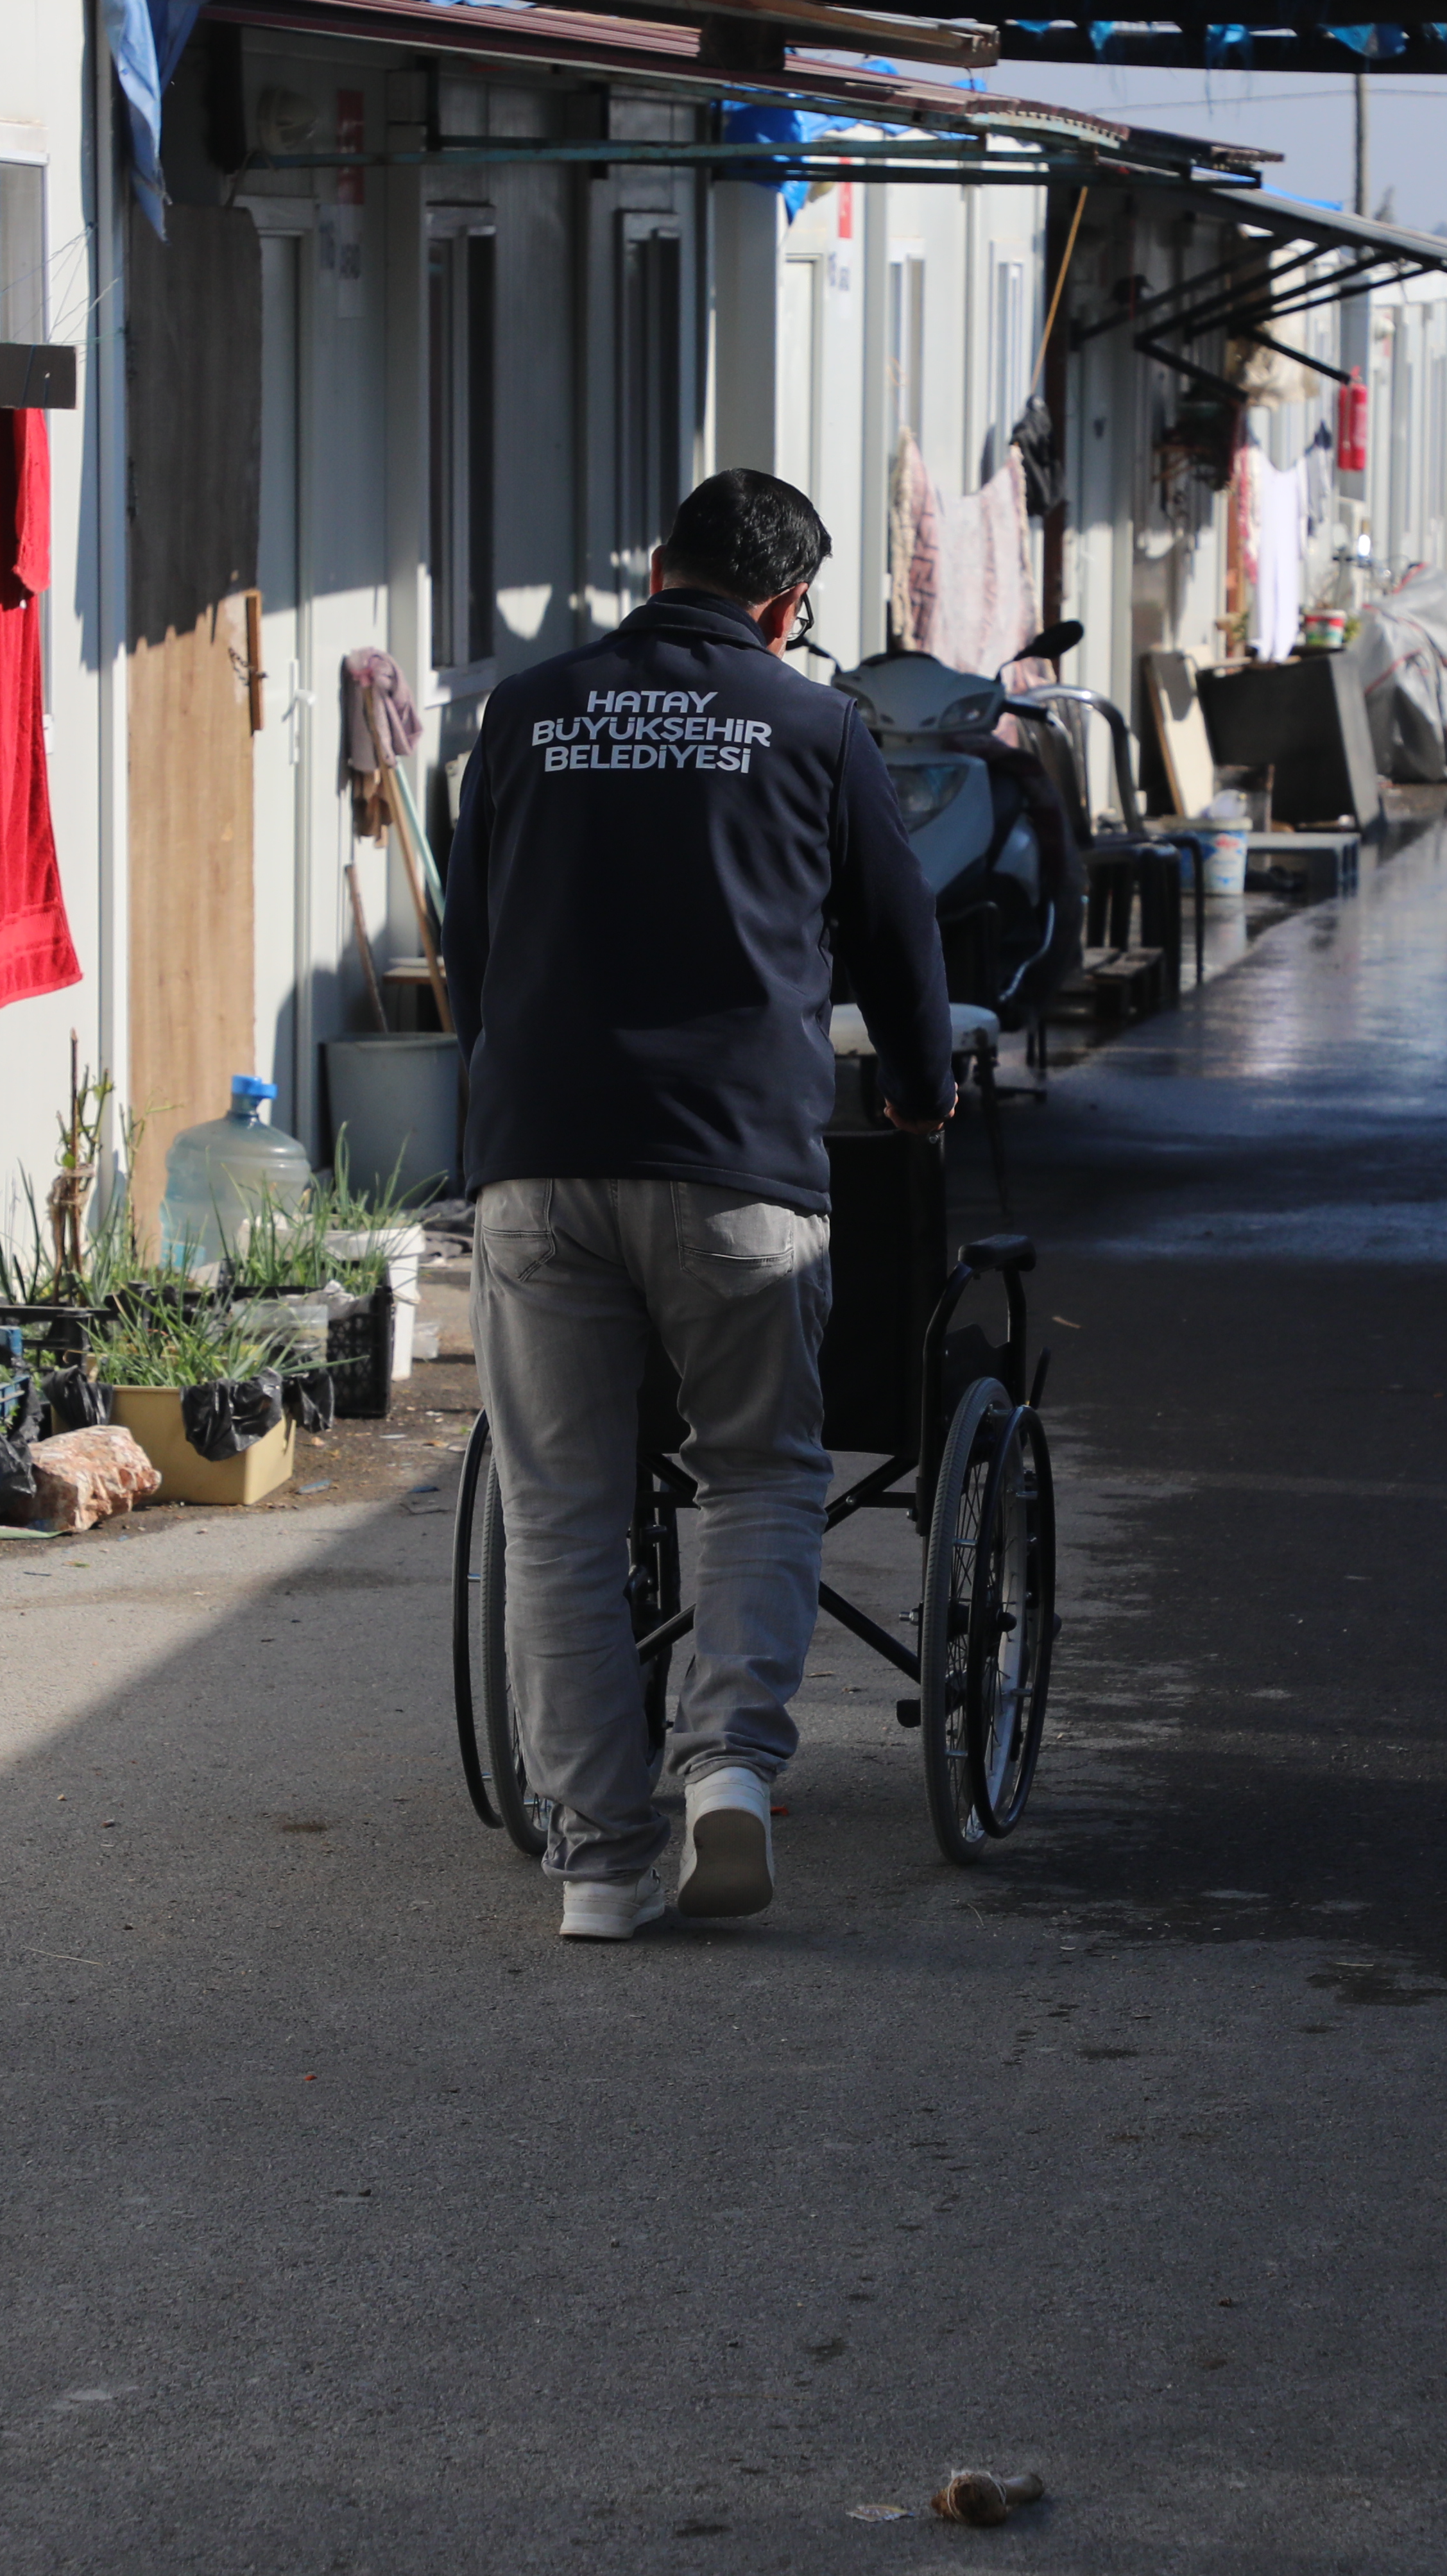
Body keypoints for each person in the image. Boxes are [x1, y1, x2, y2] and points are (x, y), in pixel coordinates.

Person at [443, 469, 954, 1943]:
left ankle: (601, 1861)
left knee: (560, 1512)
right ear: (788, 608)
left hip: (538, 1165)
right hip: (738, 1173)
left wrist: (505, 1107)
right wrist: (920, 1091)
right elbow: (902, 943)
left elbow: (473, 947)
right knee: (758, 1473)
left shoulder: (527, 713)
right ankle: (730, 1764)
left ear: (656, 568)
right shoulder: (815, 725)